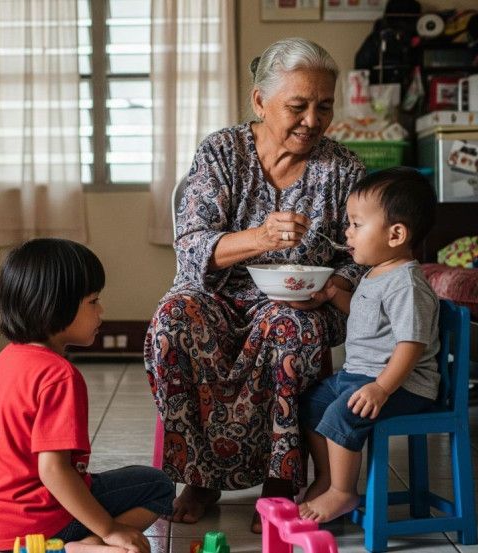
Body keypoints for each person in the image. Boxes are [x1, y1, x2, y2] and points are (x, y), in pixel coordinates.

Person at [144, 37, 367, 530]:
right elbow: (192, 246)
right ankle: (200, 477)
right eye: (298, 105)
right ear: (260, 101)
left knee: (291, 328)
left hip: (300, 306)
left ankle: (281, 481)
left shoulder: (344, 170)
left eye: (324, 106)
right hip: (217, 298)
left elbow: (361, 259)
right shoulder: (222, 152)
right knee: (173, 319)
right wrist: (260, 237)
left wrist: (331, 288)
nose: (312, 120)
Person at [0, 238, 174, 553]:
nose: (101, 311)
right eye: (93, 301)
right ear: (55, 305)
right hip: (36, 522)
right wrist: (110, 527)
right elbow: (53, 470)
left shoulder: (3, 360)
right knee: (159, 486)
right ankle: (83, 545)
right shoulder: (58, 375)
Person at [298, 167, 439, 523]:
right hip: (361, 376)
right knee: (313, 402)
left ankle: (343, 493)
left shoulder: (406, 283)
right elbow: (365, 315)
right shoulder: (376, 273)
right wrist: (333, 294)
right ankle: (329, 478)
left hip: (402, 385)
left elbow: (411, 344)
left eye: (357, 224)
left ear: (395, 234)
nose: (348, 232)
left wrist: (381, 387)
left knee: (343, 413)